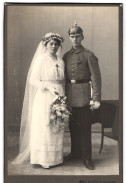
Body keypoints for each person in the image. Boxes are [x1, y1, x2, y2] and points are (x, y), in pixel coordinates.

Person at [12, 32, 65, 169]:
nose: (54, 46)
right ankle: (43, 159)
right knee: (45, 125)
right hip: (45, 96)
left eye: (56, 44)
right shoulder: (41, 59)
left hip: (58, 95)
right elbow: (33, 79)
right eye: (51, 44)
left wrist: (60, 94)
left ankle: (55, 158)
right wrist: (47, 86)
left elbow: (61, 80)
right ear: (46, 45)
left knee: (57, 124)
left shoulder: (61, 61)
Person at [63, 22, 101, 170]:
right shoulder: (66, 56)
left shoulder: (89, 55)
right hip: (70, 96)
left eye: (77, 36)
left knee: (85, 128)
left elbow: (96, 78)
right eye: (72, 36)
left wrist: (96, 98)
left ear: (82, 37)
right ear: (69, 38)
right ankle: (75, 153)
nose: (74, 39)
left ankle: (87, 158)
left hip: (85, 97)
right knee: (73, 127)